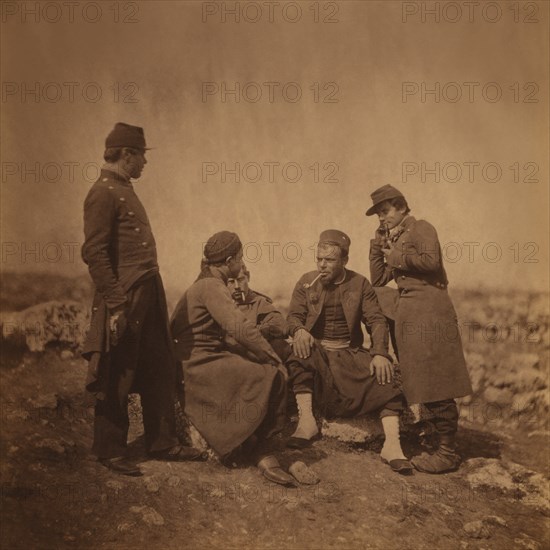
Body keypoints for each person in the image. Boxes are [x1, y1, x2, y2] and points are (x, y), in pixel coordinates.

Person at [82, 122, 203, 477]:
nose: (145, 164)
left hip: (149, 288)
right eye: (141, 157)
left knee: (158, 362)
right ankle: (109, 448)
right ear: (127, 154)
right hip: (127, 294)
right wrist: (117, 304)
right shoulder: (102, 192)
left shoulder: (123, 188)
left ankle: (162, 442)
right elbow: (95, 252)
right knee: (118, 367)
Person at [170, 231, 296, 486]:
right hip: (198, 364)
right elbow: (240, 328)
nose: (240, 262)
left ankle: (246, 441)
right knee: (271, 375)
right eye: (239, 258)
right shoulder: (212, 287)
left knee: (253, 366)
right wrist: (273, 358)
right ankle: (264, 451)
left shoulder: (205, 283)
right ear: (229, 260)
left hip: (199, 357)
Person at [286, 230, 412, 474]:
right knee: (298, 352)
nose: (322, 265)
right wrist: (299, 330)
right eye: (319, 259)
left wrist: (379, 353)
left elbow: (376, 320)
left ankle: (392, 445)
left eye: (330, 260)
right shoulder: (306, 282)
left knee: (387, 378)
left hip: (348, 353)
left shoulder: (360, 283)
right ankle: (306, 423)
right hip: (318, 353)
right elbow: (292, 317)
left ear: (344, 260)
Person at [367, 184, 473, 473]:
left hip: (430, 311)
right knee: (420, 378)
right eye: (378, 214)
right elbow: (378, 280)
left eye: (385, 211)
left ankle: (447, 452)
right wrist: (377, 247)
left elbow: (430, 261)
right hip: (410, 313)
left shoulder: (421, 228)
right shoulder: (396, 238)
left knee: (436, 379)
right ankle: (434, 439)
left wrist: (394, 256)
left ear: (401, 207)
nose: (381, 218)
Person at [226, 264, 291, 362]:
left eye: (240, 280)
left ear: (248, 277)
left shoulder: (258, 302)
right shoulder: (220, 303)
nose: (236, 286)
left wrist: (257, 332)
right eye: (231, 282)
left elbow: (281, 326)